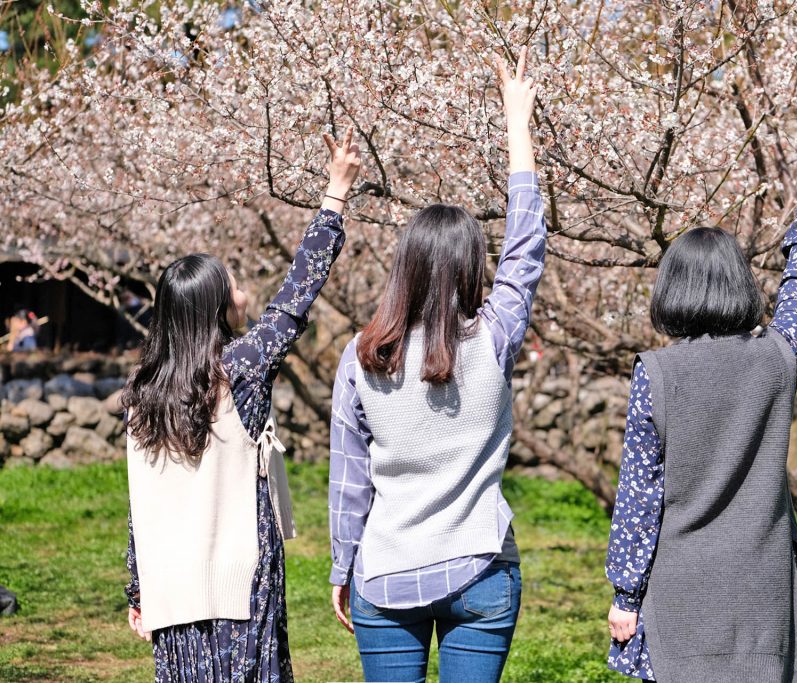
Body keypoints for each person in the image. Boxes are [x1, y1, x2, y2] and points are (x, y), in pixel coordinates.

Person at [327, 47, 544, 683]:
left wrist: (344, 567)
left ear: (407, 265)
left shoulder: (362, 355)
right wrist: (517, 126)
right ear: (474, 267)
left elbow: (350, 478)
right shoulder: (495, 337)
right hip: (480, 564)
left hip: (386, 571)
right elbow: (527, 245)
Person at [122, 128, 362, 682]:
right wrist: (335, 193)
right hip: (242, 579)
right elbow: (297, 294)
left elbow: (141, 498)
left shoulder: (141, 391)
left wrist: (139, 587)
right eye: (228, 281)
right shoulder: (242, 368)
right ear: (213, 304)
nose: (240, 284)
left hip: (173, 584)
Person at [605, 125, 797, 682]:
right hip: (762, 598)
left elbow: (640, 495)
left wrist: (625, 593)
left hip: (683, 596)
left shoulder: (657, 374)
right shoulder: (776, 358)